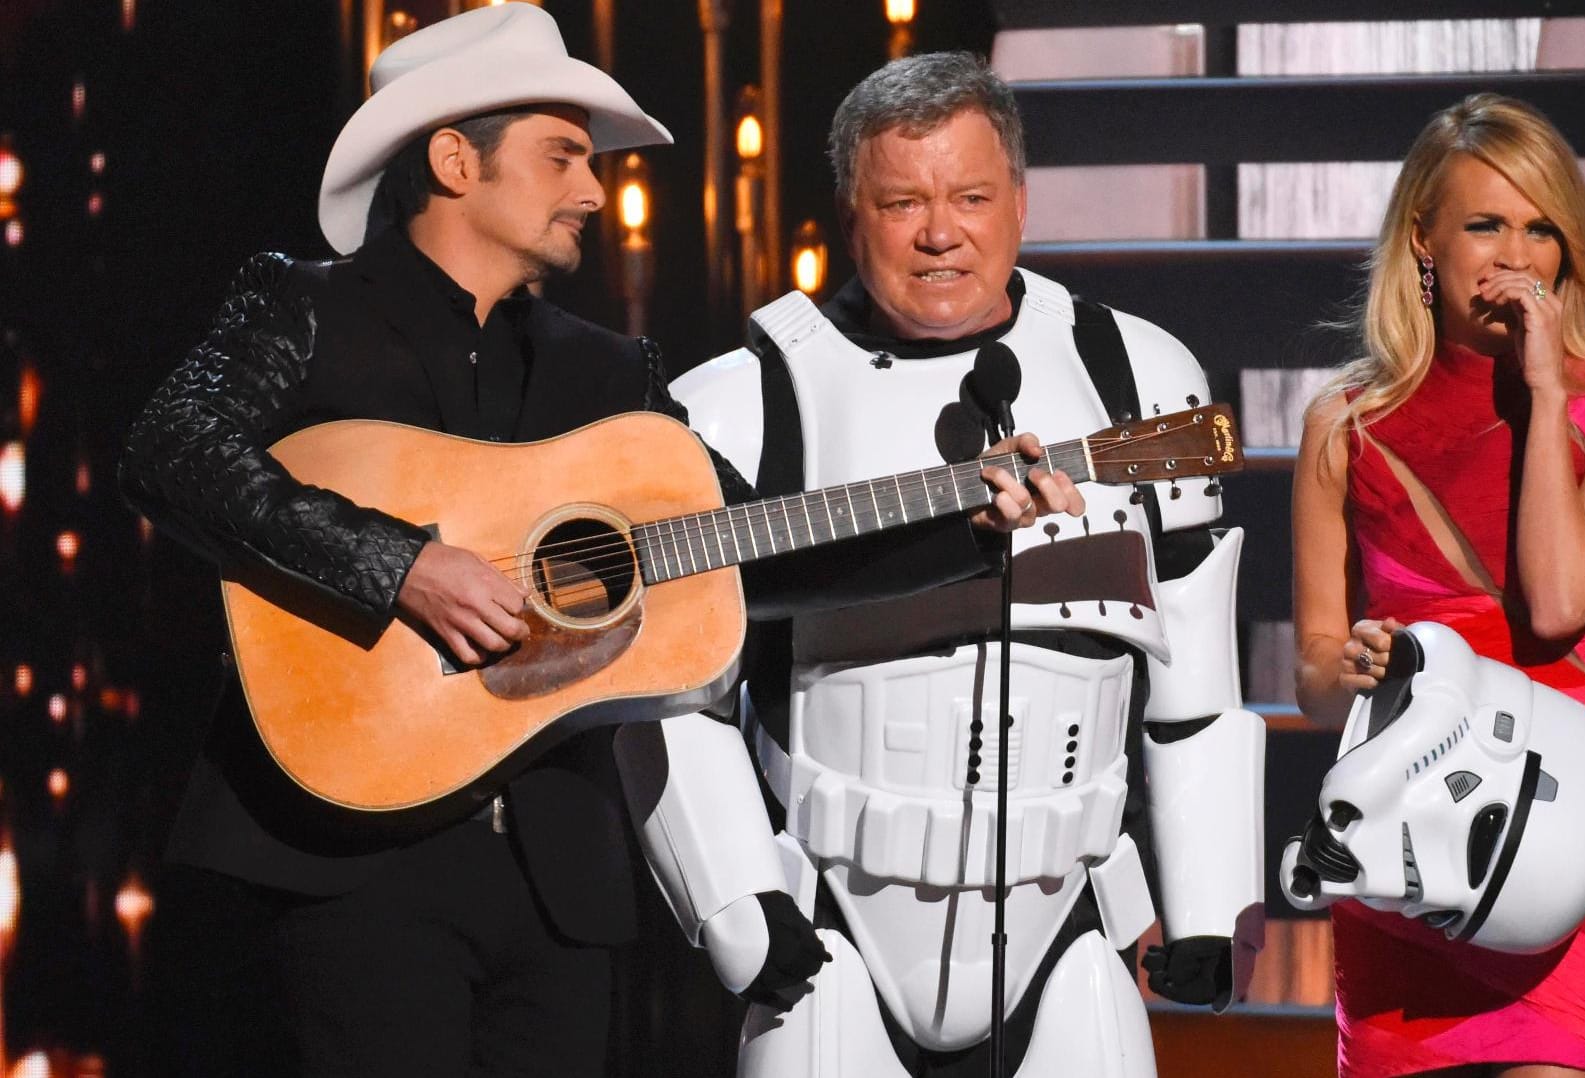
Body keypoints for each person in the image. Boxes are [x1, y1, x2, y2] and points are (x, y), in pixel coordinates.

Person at [118, 7, 1076, 1076]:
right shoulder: (304, 307)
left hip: (556, 882)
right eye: (563, 154)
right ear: (452, 159)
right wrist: (399, 565)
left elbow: (752, 553)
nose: (593, 186)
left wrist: (964, 525)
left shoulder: (613, 374)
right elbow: (172, 450)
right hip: (347, 861)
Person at [658, 51, 1267, 1078]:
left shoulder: (1136, 377)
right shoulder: (740, 404)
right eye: (904, 202)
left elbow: (1193, 691)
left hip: (1065, 929)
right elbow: (674, 693)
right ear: (855, 216)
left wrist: (1213, 908)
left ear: (1020, 205)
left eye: (972, 196)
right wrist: (734, 904)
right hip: (829, 936)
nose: (941, 231)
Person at [1291, 93, 1585, 1078]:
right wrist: (1363, 675)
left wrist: (1547, 393)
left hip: (1571, 846)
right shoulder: (1343, 423)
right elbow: (1315, 679)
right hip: (1410, 849)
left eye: (1541, 227)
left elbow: (1555, 604)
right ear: (1424, 239)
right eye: (1486, 224)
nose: (1516, 254)